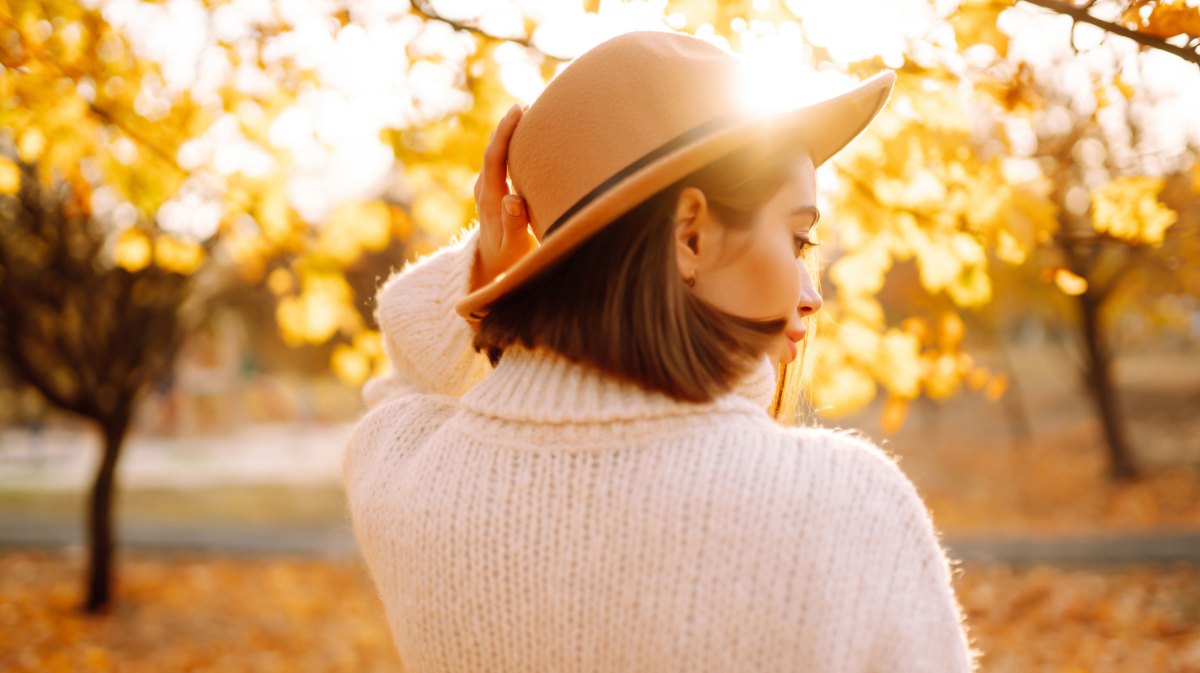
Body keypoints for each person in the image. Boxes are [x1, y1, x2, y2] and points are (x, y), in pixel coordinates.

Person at [343, 30, 980, 673]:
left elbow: (406, 380)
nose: (812, 296)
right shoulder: (843, 507)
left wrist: (491, 270)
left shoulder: (405, 478)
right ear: (689, 236)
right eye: (797, 238)